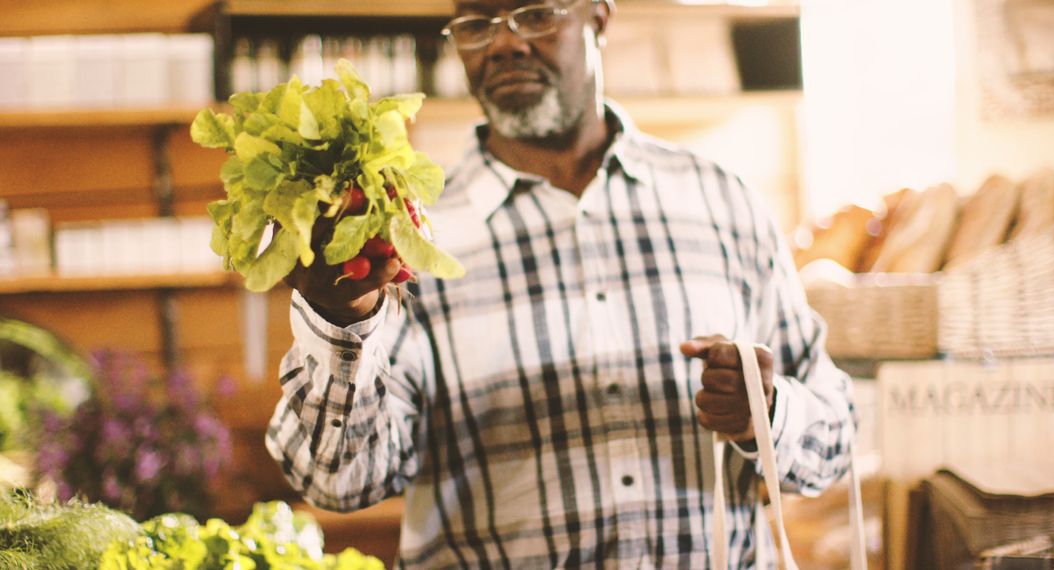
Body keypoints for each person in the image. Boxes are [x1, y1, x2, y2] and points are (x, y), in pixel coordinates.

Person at [266, 0, 858, 567]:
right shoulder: (409, 237)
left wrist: (765, 411)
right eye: (476, 23)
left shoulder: (720, 199)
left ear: (598, 16)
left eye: (535, 13)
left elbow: (836, 432)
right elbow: (339, 483)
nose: (502, 42)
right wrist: (337, 323)